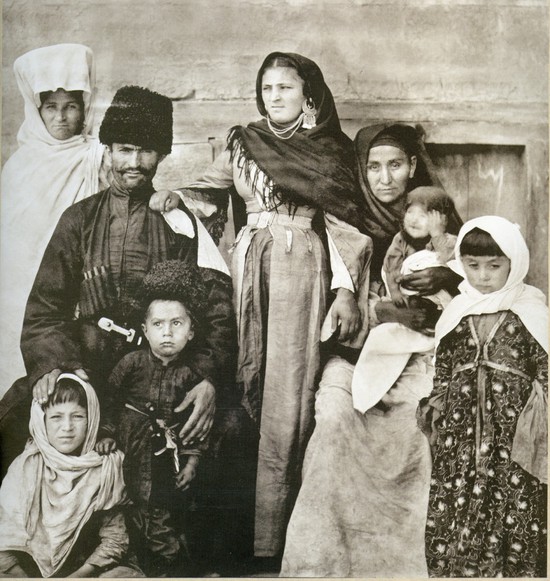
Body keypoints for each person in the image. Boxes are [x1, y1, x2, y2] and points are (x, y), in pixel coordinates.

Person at [151, 52, 371, 563]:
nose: (275, 97)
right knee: (242, 375)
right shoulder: (244, 142)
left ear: (309, 95)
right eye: (267, 88)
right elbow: (208, 192)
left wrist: (344, 291)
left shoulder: (327, 149)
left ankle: (279, 537)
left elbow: (345, 225)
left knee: (288, 390)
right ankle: (237, 532)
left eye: (286, 88)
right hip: (247, 267)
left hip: (301, 270)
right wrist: (177, 199)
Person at [0, 85, 235, 480]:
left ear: (162, 155)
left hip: (159, 372)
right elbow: (45, 310)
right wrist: (53, 364)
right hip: (86, 366)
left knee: (229, 434)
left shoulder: (179, 223)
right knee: (11, 416)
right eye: (124, 149)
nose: (134, 162)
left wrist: (207, 378)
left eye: (146, 151)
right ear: (107, 151)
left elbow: (217, 314)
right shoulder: (79, 220)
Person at [281, 123, 462, 577]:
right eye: (374, 167)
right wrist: (378, 310)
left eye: (395, 165)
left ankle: (403, 564)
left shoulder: (440, 222)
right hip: (353, 356)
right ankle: (323, 564)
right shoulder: (344, 222)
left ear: (412, 166)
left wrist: (449, 280)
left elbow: (476, 287)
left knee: (418, 426)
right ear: (361, 170)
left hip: (419, 357)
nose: (385, 178)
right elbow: (325, 300)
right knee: (333, 421)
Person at [418, 216, 548, 578]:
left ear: (513, 263)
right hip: (461, 438)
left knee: (513, 506)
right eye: (472, 266)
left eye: (494, 266)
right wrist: (438, 409)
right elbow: (443, 368)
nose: (483, 276)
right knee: (459, 505)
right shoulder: (457, 313)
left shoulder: (531, 312)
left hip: (514, 437)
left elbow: (545, 369)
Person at [0, 44, 106, 390]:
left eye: (71, 106)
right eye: (51, 107)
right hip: (22, 285)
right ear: (38, 111)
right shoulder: (18, 167)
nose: (61, 117)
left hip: (73, 279)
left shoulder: (97, 158)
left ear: (84, 108)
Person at [96, 260, 210, 576]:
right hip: (128, 450)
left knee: (161, 512)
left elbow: (195, 426)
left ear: (191, 331)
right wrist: (106, 433)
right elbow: (110, 399)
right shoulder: (131, 363)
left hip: (164, 460)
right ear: (145, 330)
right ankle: (133, 561)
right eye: (158, 324)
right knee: (126, 507)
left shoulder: (190, 376)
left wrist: (192, 461)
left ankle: (169, 565)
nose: (167, 332)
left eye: (177, 324)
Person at [0, 373, 142, 578]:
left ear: (91, 419)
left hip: (86, 571)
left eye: (78, 416)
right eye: (56, 417)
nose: (67, 427)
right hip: (28, 573)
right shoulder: (24, 467)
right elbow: (3, 541)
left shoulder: (106, 467)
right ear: (41, 421)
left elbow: (115, 540)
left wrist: (74, 578)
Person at [383, 185, 457, 309]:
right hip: (405, 290)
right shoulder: (401, 239)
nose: (413, 220)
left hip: (437, 294)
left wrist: (437, 235)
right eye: (410, 212)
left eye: (423, 216)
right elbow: (391, 267)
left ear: (442, 220)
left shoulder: (449, 240)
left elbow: (450, 262)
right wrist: (394, 292)